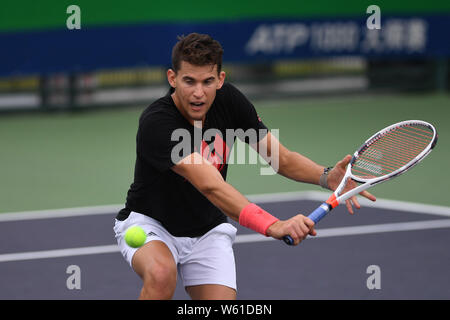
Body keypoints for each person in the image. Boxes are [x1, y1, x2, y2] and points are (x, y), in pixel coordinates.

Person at [113, 33, 376, 300]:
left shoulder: (230, 102)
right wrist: (273, 225)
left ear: (221, 80)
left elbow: (281, 159)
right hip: (152, 224)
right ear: (172, 78)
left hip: (207, 229)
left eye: (207, 82)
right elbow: (210, 185)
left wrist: (327, 176)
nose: (198, 93)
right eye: (188, 81)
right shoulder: (157, 123)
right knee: (160, 274)